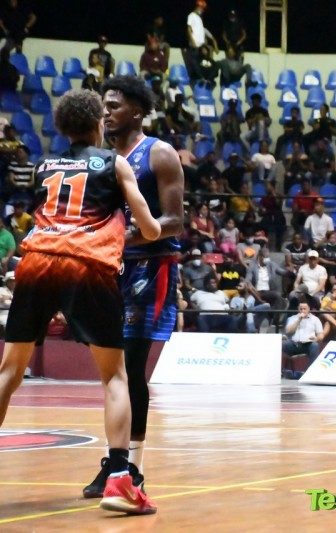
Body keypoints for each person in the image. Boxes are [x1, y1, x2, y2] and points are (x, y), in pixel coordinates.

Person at [0, 89, 161, 514]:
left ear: (61, 127)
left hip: (37, 261)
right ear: (98, 124)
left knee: (9, 371)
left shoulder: (44, 165)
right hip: (86, 266)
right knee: (115, 378)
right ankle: (120, 480)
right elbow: (150, 228)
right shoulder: (114, 163)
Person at [83, 75, 185, 500]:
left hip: (151, 267)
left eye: (114, 106)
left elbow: (175, 221)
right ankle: (116, 461)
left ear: (137, 112)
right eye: (103, 106)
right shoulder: (102, 159)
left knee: (130, 367)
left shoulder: (158, 153)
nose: (105, 112)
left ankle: (133, 468)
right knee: (112, 372)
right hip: (111, 268)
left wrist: (121, 238)